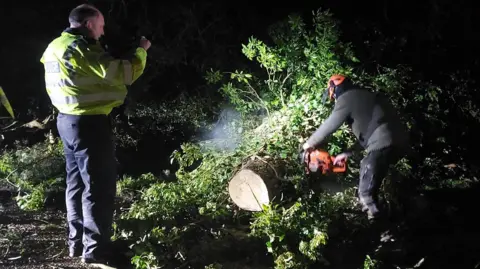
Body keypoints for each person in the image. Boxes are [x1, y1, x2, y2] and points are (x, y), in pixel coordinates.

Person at [40, 4, 151, 265]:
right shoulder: (80, 48)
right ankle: (97, 251)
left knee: (76, 184)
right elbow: (124, 73)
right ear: (89, 24)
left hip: (67, 121)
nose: (102, 32)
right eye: (100, 26)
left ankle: (77, 244)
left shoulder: (55, 46)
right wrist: (141, 52)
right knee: (98, 188)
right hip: (88, 124)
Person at [302, 74, 409, 220]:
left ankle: (385, 233)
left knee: (365, 192)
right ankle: (399, 218)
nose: (334, 100)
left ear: (334, 89)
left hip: (384, 142)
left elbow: (330, 125)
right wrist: (348, 152)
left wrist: (309, 143)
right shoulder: (365, 96)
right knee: (374, 178)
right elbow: (370, 132)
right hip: (398, 140)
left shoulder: (347, 98)